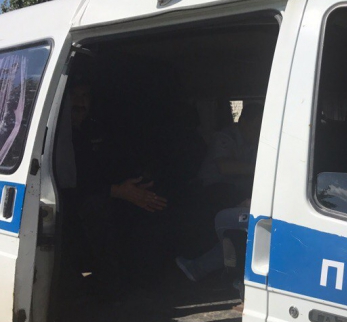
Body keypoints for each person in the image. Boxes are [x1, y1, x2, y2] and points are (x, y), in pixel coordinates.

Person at [68, 79, 169, 294]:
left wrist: (135, 185)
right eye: (74, 95)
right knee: (96, 209)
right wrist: (118, 191)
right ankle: (108, 287)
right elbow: (70, 180)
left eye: (85, 96)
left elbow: (107, 167)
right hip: (72, 202)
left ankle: (143, 282)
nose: (80, 102)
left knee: (153, 205)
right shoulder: (55, 134)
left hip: (108, 193)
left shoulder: (95, 130)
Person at [176, 101, 264, 284]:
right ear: (244, 122)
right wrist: (261, 168)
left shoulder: (258, 143)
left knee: (244, 228)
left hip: (238, 193)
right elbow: (226, 167)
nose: (259, 132)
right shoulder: (225, 137)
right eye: (257, 126)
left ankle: (203, 268)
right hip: (212, 191)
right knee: (239, 226)